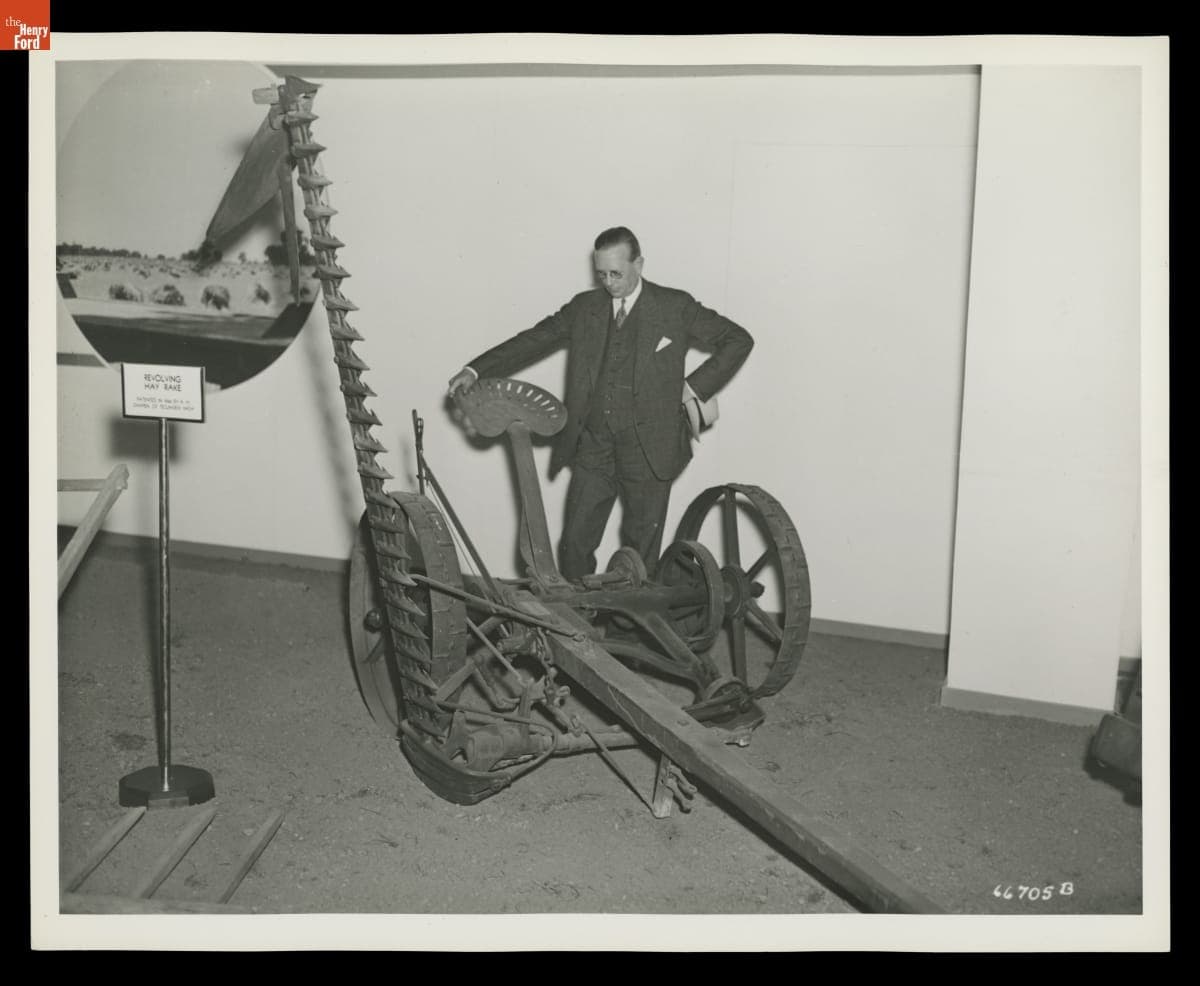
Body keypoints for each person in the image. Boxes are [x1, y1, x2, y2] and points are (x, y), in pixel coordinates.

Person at [448, 226, 753, 580]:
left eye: (616, 273)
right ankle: (582, 624)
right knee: (574, 544)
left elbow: (738, 339)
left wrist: (692, 387)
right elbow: (532, 339)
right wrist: (476, 368)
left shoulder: (675, 307)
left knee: (639, 554)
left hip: (650, 448)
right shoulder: (583, 308)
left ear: (639, 263)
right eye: (602, 274)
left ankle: (626, 633)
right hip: (593, 445)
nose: (609, 283)